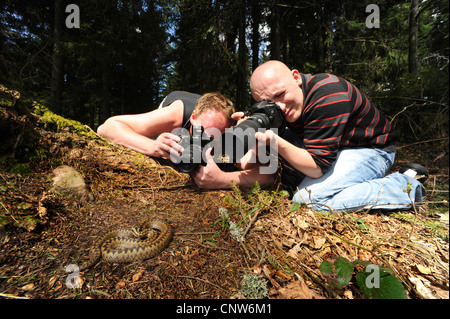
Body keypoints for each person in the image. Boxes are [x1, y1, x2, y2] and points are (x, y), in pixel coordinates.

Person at [245, 60, 428, 212]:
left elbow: (317, 167)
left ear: (296, 77)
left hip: (370, 149)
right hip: (335, 147)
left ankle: (404, 186)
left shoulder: (329, 95)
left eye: (280, 94)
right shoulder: (285, 106)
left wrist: (273, 140)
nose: (281, 107)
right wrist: (251, 127)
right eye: (268, 104)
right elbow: (251, 163)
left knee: (309, 200)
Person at [97, 91, 275, 189]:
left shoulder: (229, 136)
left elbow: (267, 176)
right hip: (175, 104)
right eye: (199, 132)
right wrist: (152, 146)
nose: (203, 141)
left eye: (212, 138)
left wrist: (223, 179)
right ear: (193, 117)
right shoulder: (178, 114)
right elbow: (106, 128)